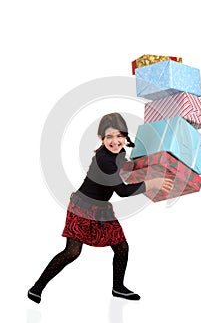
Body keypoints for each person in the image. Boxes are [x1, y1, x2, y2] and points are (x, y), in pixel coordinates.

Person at [28, 112, 173, 303]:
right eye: (109, 137)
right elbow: (122, 191)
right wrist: (150, 184)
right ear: (101, 138)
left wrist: (152, 159)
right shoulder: (103, 160)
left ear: (125, 136)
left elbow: (126, 167)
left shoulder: (119, 152)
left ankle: (118, 288)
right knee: (72, 252)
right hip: (82, 206)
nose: (115, 141)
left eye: (119, 136)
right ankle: (37, 287)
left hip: (102, 209)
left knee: (122, 247)